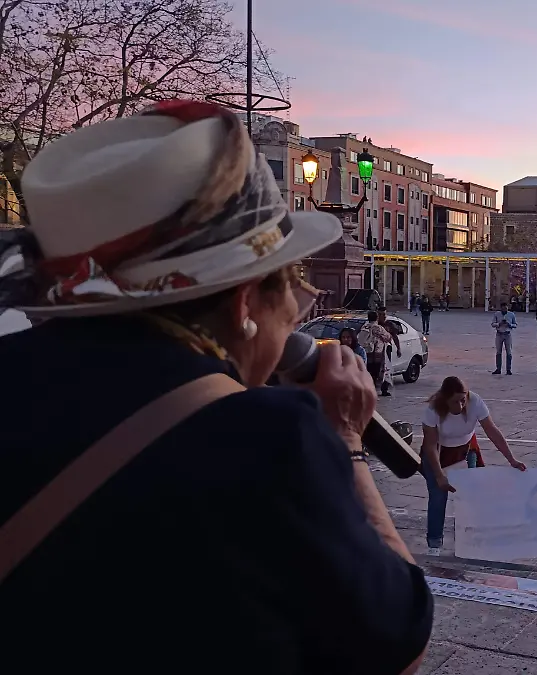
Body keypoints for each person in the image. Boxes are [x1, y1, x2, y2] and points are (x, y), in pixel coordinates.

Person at [0, 102, 432, 671]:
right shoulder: (270, 440)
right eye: (292, 288)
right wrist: (346, 440)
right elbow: (397, 643)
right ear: (245, 299)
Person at [420, 377, 526, 556]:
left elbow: (492, 431)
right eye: (455, 401)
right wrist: (439, 475)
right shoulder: (432, 410)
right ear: (445, 399)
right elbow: (431, 445)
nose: (461, 405)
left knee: (469, 495)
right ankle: (434, 544)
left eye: (463, 400)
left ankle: (469, 539)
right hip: (438, 453)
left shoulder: (475, 402)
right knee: (438, 497)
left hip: (465, 450)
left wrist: (512, 460)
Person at [358, 310, 393, 394]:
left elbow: (360, 339)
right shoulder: (378, 328)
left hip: (365, 354)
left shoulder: (364, 327)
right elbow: (388, 337)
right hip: (377, 355)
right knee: (376, 373)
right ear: (376, 318)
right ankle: (371, 391)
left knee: (367, 373)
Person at [490, 302, 517, 376]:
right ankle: (498, 368)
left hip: (507, 334)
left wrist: (510, 325)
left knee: (509, 352)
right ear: (501, 308)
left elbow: (515, 324)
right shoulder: (497, 314)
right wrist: (499, 324)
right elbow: (492, 324)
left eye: (506, 308)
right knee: (498, 352)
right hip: (499, 334)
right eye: (503, 308)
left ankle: (508, 369)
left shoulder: (511, 314)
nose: (505, 309)